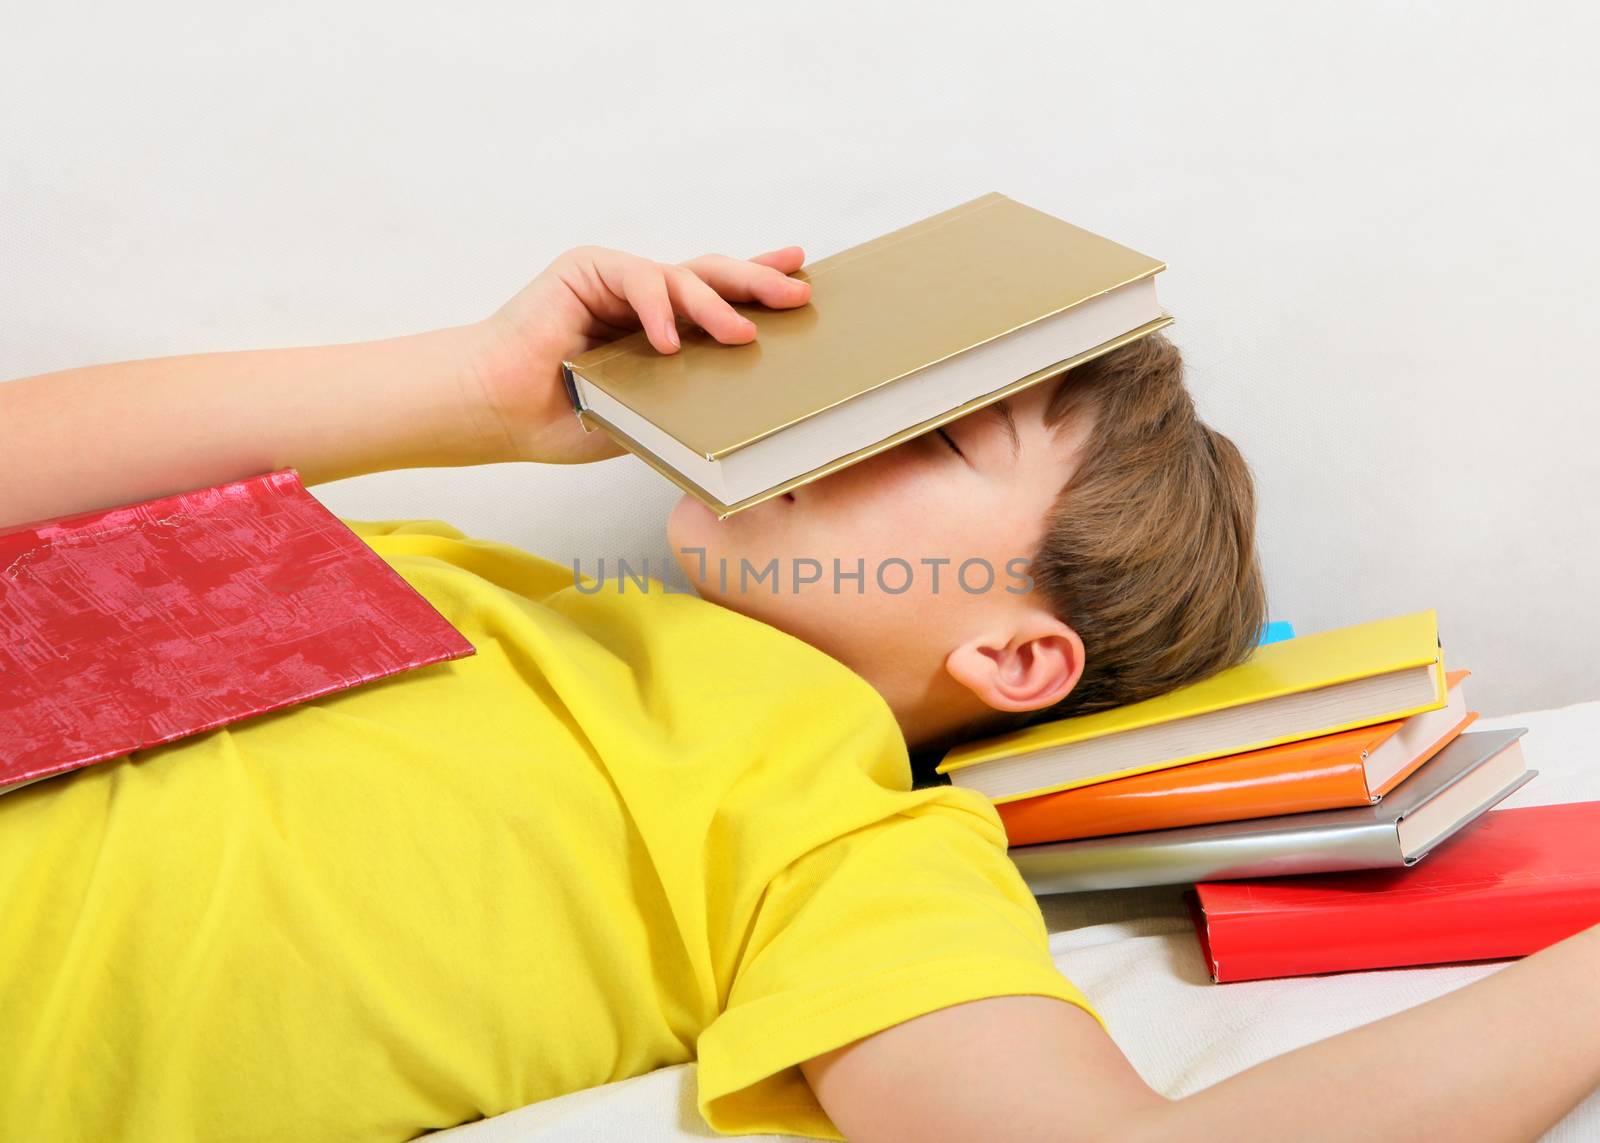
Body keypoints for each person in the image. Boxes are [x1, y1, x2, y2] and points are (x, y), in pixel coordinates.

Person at [0, 243, 1595, 1143]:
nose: (840, 425)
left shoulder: (845, 835)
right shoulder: (477, 573)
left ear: (1017, 655)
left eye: (937, 440)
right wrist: (470, 394)